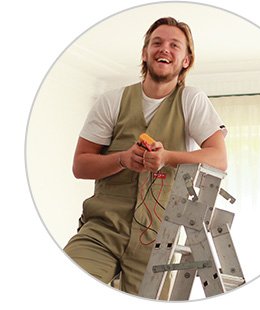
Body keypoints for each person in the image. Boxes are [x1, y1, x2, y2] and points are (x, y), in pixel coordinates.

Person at [64, 17, 227, 298]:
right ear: (145, 53)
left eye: (174, 45)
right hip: (101, 229)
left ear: (186, 60)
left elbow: (219, 158)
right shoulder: (111, 101)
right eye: (157, 42)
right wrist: (122, 160)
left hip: (157, 240)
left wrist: (168, 157)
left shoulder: (192, 100)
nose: (164, 48)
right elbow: (81, 165)